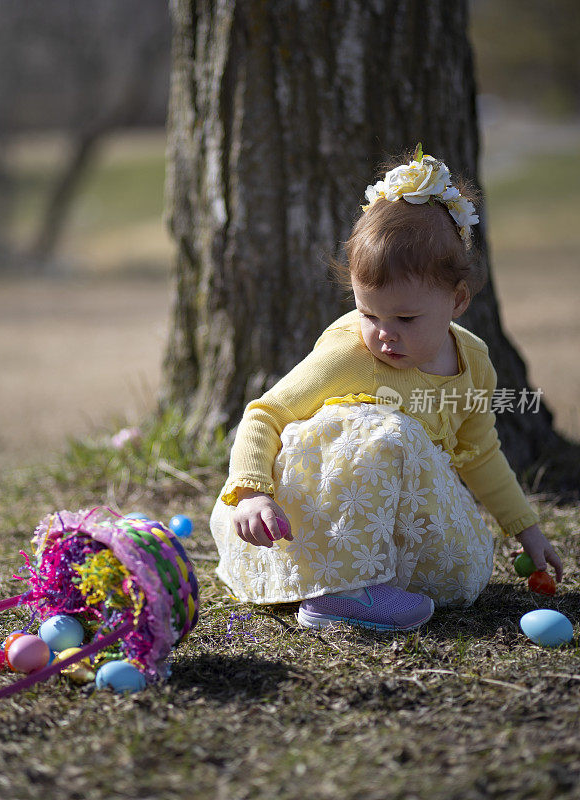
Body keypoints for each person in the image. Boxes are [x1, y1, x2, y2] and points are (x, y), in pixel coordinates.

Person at [209, 145, 563, 632]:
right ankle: (342, 593)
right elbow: (265, 414)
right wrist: (250, 491)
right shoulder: (350, 355)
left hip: (400, 522)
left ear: (457, 300)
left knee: (467, 570)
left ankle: (383, 583)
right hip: (325, 518)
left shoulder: (474, 363)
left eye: (405, 318)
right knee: (384, 429)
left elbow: (478, 450)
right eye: (369, 313)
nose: (383, 333)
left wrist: (526, 529)